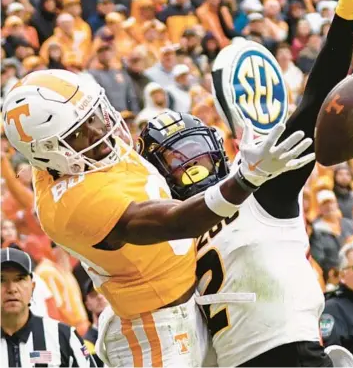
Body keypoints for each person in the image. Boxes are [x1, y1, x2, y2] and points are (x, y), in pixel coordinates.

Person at [139, 0, 353, 367]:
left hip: (286, 350)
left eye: (192, 150)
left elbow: (315, 102)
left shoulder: (243, 191)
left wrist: (345, 21)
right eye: (177, 159)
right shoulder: (180, 228)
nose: (190, 164)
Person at [2, 68, 313, 368]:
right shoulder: (73, 205)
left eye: (95, 113)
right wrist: (246, 178)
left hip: (183, 305)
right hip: (154, 333)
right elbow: (179, 223)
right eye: (82, 131)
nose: (100, 129)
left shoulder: (77, 153)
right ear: (48, 152)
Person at [1, 247, 96, 367]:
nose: (12, 289)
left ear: (33, 287)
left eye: (20, 279)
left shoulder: (64, 336)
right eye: (1, 279)